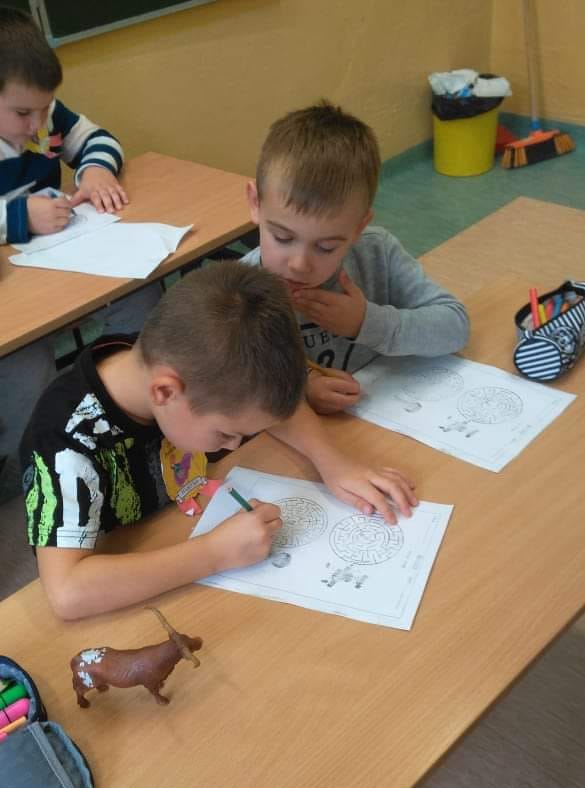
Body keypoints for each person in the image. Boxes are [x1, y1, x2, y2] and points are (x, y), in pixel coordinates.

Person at [20, 260, 417, 621]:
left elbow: (259, 402)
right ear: (165, 392)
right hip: (131, 585)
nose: (231, 445)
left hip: (184, 522)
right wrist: (213, 554)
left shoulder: (185, 358)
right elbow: (68, 592)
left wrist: (332, 461)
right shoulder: (66, 445)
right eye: (226, 434)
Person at [0, 5, 158, 498]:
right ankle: (38, 466)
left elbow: (99, 139)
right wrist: (18, 217)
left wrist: (94, 169)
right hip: (13, 301)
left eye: (45, 109)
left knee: (140, 294)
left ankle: (128, 414)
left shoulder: (43, 115)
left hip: (67, 262)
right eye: (23, 114)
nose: (37, 126)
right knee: (25, 365)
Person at [243, 99, 469, 415]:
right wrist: (302, 389)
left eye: (326, 247)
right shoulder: (238, 290)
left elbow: (455, 326)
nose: (299, 264)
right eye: (283, 238)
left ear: (359, 227)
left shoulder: (376, 254)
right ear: (255, 203)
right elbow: (236, 384)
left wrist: (366, 322)